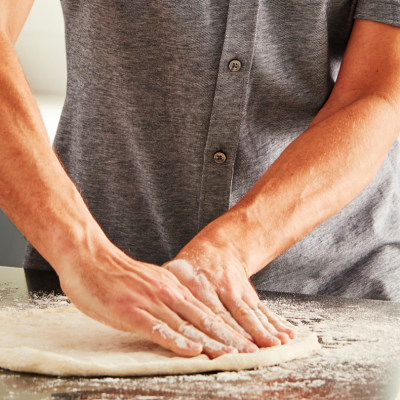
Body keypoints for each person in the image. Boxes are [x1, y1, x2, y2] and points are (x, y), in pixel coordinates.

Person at [1, 0, 399, 358]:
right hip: (95, 306)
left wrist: (231, 247)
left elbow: (376, 93)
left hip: (338, 295)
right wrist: (83, 254)